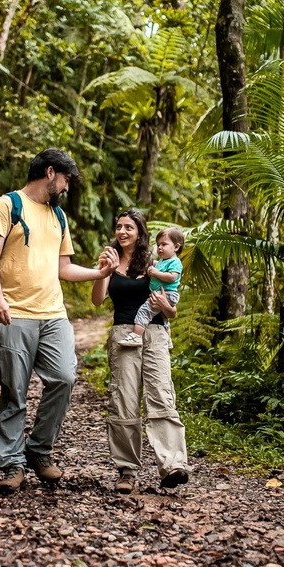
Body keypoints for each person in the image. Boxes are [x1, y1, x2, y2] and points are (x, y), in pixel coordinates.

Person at [0, 148, 113, 494]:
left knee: (65, 378)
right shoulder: (7, 205)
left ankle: (38, 449)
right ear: (51, 172)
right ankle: (11, 463)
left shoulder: (58, 216)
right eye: (67, 180)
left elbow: (63, 267)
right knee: (15, 391)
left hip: (53, 314)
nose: (67, 188)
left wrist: (100, 272)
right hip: (14, 314)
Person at [91, 209, 190, 494]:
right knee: (123, 399)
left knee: (160, 393)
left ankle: (172, 464)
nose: (122, 232)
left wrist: (165, 308)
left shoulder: (156, 262)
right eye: (119, 226)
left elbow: (172, 310)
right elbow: (98, 300)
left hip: (156, 333)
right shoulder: (110, 258)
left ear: (140, 232)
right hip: (124, 334)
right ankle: (126, 470)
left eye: (129, 227)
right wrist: (103, 272)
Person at [118, 226, 184, 347]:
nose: (159, 247)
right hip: (162, 293)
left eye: (164, 244)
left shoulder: (175, 262)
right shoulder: (163, 261)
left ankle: (136, 336)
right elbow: (148, 264)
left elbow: (172, 277)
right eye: (158, 245)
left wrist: (156, 273)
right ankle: (168, 339)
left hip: (166, 293)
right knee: (163, 318)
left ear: (176, 247)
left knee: (144, 311)